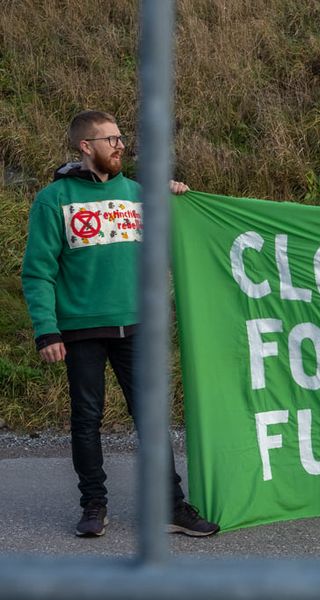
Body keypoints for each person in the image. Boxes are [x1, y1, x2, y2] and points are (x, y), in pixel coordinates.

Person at [21, 110, 219, 537]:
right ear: (85, 147)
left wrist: (176, 197)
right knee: (86, 420)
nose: (120, 146)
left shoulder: (138, 194)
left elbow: (176, 236)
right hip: (80, 328)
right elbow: (37, 271)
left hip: (138, 327)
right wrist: (47, 329)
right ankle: (94, 506)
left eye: (121, 138)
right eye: (110, 139)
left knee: (151, 417)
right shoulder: (53, 200)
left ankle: (170, 506)